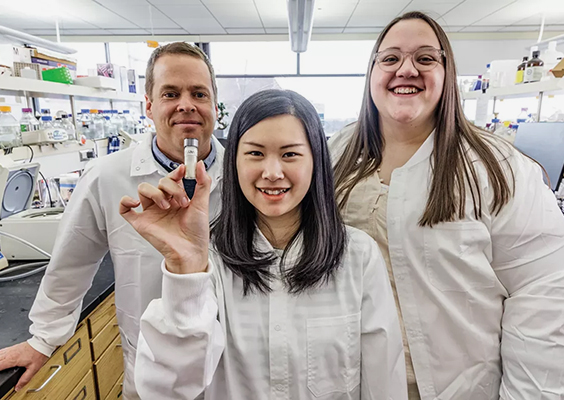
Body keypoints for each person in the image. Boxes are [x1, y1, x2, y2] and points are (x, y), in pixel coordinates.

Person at [328, 11, 564, 400]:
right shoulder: (337, 154)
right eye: (390, 58)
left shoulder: (496, 166)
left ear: (447, 73)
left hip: (459, 388)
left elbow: (544, 293)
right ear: (371, 73)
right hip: (351, 383)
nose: (406, 69)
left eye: (425, 58)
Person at [119, 89, 408, 399]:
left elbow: (383, 382)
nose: (272, 173)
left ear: (316, 161)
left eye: (290, 154)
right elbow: (167, 389)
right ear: (234, 163)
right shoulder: (208, 260)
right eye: (255, 153)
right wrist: (185, 268)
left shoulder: (358, 257)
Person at [0, 42, 224, 399]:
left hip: (235, 367)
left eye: (199, 93)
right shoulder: (108, 176)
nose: (186, 104)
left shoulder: (246, 175)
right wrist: (43, 338)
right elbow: (71, 263)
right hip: (153, 369)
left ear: (215, 106)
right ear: (149, 105)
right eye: (170, 93)